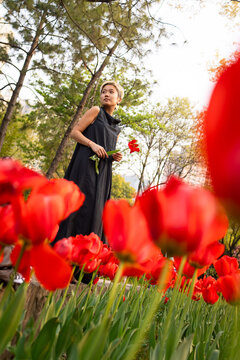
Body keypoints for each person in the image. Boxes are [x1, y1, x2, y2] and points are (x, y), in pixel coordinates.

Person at [52, 81, 124, 247]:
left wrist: (114, 156)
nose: (106, 94)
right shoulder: (96, 111)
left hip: (103, 173)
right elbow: (74, 132)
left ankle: (85, 258)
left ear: (118, 99)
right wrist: (92, 144)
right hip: (85, 167)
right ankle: (65, 250)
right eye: (103, 91)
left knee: (96, 210)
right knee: (81, 206)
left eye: (111, 92)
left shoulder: (117, 129)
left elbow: (107, 150)